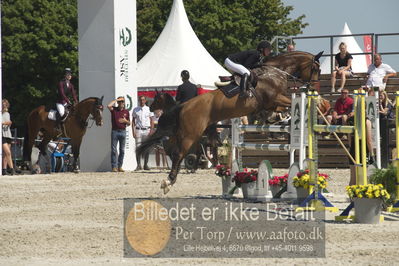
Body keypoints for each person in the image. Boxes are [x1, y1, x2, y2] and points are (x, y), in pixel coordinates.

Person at [108, 96, 131, 172]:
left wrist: (125, 121)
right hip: (115, 131)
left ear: (124, 103)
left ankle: (120, 166)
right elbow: (108, 106)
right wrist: (116, 99)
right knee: (114, 150)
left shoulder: (126, 112)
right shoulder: (114, 110)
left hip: (123, 132)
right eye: (120, 102)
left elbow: (129, 123)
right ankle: (114, 167)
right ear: (118, 103)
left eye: (122, 101)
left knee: (122, 150)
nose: (121, 103)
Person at [132, 96, 154, 171]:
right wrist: (133, 131)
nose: (142, 101)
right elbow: (133, 121)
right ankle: (138, 165)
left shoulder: (149, 109)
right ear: (139, 100)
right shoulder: (135, 109)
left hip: (147, 130)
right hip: (138, 130)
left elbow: (152, 120)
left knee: (146, 148)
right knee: (138, 148)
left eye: (143, 100)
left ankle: (145, 165)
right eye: (140, 100)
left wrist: (151, 130)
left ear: (145, 101)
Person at [2, 99, 15, 175]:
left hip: (8, 134)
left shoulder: (7, 113)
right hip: (2, 134)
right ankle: (12, 169)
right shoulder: (1, 114)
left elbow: (9, 122)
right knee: (8, 152)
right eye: (3, 104)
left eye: (5, 104)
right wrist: (5, 123)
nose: (4, 106)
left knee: (6, 154)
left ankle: (4, 169)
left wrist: (8, 123)